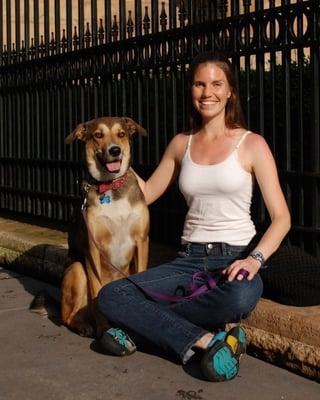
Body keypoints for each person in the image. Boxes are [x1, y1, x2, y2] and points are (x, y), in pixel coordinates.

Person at [97, 51, 291, 382]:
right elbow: (145, 195)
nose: (207, 92)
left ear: (230, 91)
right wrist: (117, 163)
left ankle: (141, 330)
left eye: (217, 84)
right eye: (200, 84)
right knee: (111, 295)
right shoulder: (180, 144)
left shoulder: (251, 144)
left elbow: (281, 217)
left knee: (242, 296)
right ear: (191, 90)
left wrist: (255, 260)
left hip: (236, 260)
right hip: (188, 260)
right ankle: (206, 340)